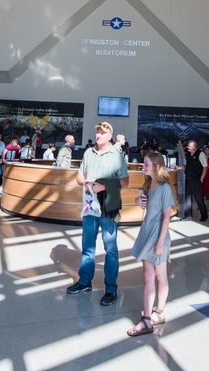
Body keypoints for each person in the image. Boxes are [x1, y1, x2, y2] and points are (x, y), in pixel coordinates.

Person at [66, 122, 129, 307]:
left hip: (108, 206)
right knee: (87, 246)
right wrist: (83, 181)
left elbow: (124, 182)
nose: (99, 135)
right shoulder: (88, 153)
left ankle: (111, 289)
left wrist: (105, 186)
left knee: (110, 249)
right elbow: (79, 174)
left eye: (103, 133)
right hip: (89, 206)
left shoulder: (117, 155)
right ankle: (85, 282)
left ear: (110, 136)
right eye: (98, 132)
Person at [127, 151, 177, 337]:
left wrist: (160, 242)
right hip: (147, 233)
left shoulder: (164, 188)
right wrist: (138, 200)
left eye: (147, 163)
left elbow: (167, 215)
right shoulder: (149, 184)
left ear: (156, 166)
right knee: (148, 275)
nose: (143, 165)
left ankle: (157, 312)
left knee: (160, 275)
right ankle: (148, 317)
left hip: (158, 236)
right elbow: (140, 200)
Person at [182, 140, 208, 221]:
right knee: (187, 198)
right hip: (188, 179)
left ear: (194, 147)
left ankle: (204, 215)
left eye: (189, 146)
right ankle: (187, 216)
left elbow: (205, 167)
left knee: (199, 198)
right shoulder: (189, 155)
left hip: (196, 180)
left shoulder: (201, 154)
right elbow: (187, 165)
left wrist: (201, 179)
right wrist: (179, 167)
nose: (187, 147)